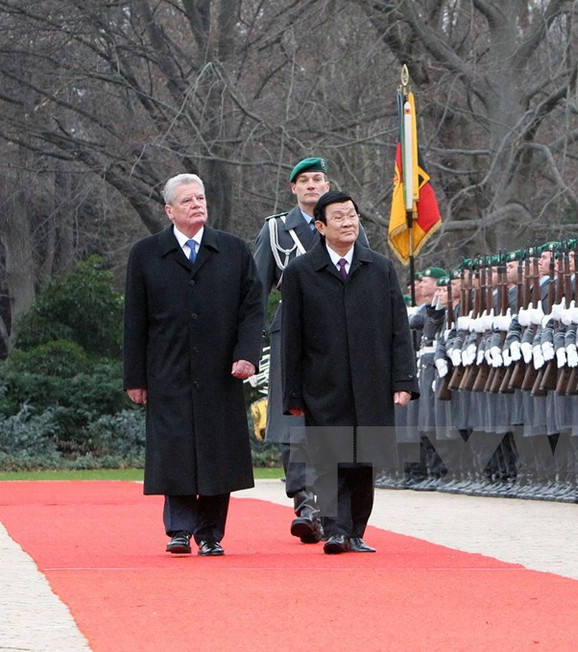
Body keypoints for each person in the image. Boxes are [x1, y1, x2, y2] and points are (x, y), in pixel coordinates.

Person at [123, 173, 264, 557]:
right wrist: (135, 377)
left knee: (220, 452)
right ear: (169, 210)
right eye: (187, 201)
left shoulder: (233, 251)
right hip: (167, 370)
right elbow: (134, 319)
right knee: (175, 450)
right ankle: (180, 529)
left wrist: (247, 354)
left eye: (200, 198)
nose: (197, 205)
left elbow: (253, 309)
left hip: (222, 371)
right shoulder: (146, 254)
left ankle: (211, 533)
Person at [281, 190, 418, 554]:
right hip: (322, 384)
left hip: (371, 380)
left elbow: (398, 330)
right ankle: (335, 528)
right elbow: (291, 338)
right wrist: (292, 394)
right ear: (321, 226)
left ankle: (355, 529)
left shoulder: (379, 267)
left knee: (363, 459)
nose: (348, 223)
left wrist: (404, 381)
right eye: (339, 217)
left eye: (352, 216)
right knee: (330, 458)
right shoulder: (301, 273)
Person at [253, 156, 369, 544]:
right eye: (303, 181)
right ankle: (304, 500)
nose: (312, 186)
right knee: (294, 418)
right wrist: (246, 347)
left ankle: (332, 507)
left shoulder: (348, 225)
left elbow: (366, 275)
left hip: (341, 332)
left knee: (337, 420)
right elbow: (256, 292)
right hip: (292, 328)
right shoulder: (275, 231)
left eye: (318, 179)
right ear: (293, 189)